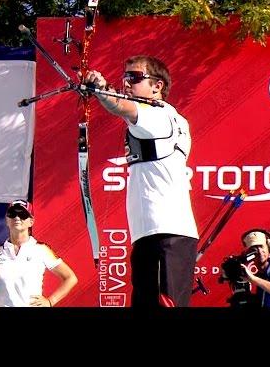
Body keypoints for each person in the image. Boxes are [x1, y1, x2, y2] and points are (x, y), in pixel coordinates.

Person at [83, 56, 198, 307]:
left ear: (157, 86)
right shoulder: (170, 116)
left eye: (134, 77)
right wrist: (103, 87)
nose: (127, 83)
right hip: (156, 233)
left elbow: (119, 106)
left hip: (163, 233)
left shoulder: (156, 116)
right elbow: (123, 103)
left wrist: (100, 90)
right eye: (125, 77)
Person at [0, 199, 78, 307]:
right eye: (12, 214)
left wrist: (50, 301)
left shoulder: (41, 249)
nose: (17, 217)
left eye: (22, 214)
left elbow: (70, 278)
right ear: (7, 220)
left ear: (31, 221)